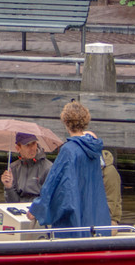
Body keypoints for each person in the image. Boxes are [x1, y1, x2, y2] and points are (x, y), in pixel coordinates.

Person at [29, 102, 111, 238]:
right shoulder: (94, 150)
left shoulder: (68, 150)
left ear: (66, 122)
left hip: (74, 222)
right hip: (94, 217)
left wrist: (37, 208)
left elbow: (53, 184)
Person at [0, 132, 52, 203]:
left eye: (34, 143)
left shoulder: (48, 168)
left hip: (37, 210)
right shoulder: (13, 168)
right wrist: (9, 187)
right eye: (27, 145)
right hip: (18, 209)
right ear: (18, 148)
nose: (32, 148)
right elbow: (12, 203)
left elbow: (50, 199)